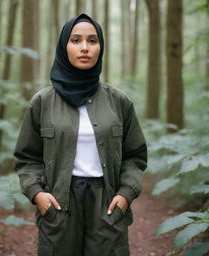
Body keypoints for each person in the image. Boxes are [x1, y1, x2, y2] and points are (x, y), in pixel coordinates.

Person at [14, 13, 147, 256]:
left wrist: (126, 193)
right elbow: (27, 157)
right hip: (59, 202)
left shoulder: (119, 101)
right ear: (64, 47)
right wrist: (37, 194)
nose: (84, 47)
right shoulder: (42, 102)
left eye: (92, 40)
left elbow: (135, 155)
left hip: (107, 203)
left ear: (100, 47)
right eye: (75, 40)